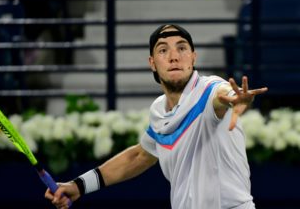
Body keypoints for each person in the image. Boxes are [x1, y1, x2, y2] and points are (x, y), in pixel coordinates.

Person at [44, 24, 268, 209]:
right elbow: (140, 156)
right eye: (163, 50)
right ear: (152, 62)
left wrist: (237, 99)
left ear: (193, 57)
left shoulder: (209, 89)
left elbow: (222, 96)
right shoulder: (159, 111)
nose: (173, 57)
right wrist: (79, 186)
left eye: (182, 48)